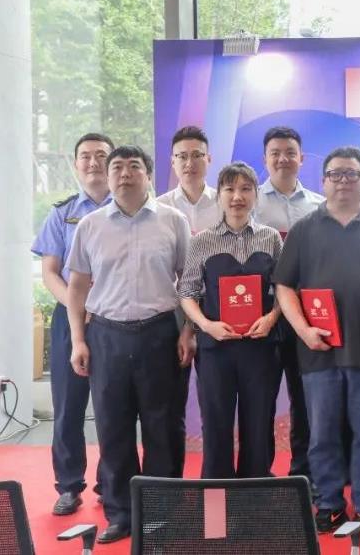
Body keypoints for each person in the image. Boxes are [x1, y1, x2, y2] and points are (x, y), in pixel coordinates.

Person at [274, 147, 360, 536]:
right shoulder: (305, 229)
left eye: (352, 174)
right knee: (322, 434)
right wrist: (303, 330)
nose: (343, 181)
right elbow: (284, 285)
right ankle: (329, 504)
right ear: (323, 181)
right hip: (318, 350)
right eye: (335, 174)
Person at [65, 145, 193, 543]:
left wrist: (188, 331)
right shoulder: (90, 225)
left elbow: (189, 283)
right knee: (113, 428)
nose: (124, 173)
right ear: (108, 176)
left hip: (160, 334)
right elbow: (77, 287)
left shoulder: (173, 221)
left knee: (163, 427)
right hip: (107, 336)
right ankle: (121, 514)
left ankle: (162, 514)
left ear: (148, 174)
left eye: (133, 166)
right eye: (116, 167)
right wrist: (78, 340)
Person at [178, 162, 283, 479]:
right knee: (216, 420)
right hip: (215, 349)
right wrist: (206, 325)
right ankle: (217, 492)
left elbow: (283, 290)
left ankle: (256, 489)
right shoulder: (202, 241)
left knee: (259, 420)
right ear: (219, 195)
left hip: (260, 347)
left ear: (256, 195)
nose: (238, 196)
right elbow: (187, 293)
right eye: (230, 189)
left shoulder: (271, 238)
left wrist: (271, 318)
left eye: (245, 189)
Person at [32, 132, 113, 515]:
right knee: (68, 406)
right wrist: (77, 304)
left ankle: (110, 483)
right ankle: (68, 485)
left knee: (114, 406)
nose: (93, 162)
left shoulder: (129, 207)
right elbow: (50, 271)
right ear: (76, 163)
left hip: (114, 318)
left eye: (101, 155)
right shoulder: (61, 213)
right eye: (86, 156)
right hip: (70, 317)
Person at [254, 126, 325, 482]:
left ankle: (304, 472)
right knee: (261, 398)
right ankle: (260, 473)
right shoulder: (250, 201)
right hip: (261, 314)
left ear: (301, 157)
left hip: (306, 315)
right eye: (275, 152)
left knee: (304, 397)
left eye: (290, 152)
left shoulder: (318, 205)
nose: (283, 159)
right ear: (265, 158)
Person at [156, 125, 223, 479]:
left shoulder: (227, 202)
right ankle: (172, 483)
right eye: (182, 156)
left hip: (219, 316)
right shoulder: (159, 208)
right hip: (173, 318)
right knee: (171, 404)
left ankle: (216, 476)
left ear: (209, 159)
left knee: (216, 404)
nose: (189, 163)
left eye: (197, 155)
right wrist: (186, 326)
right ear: (172, 162)